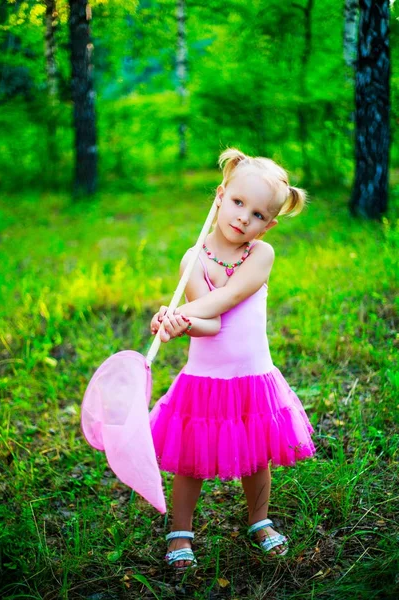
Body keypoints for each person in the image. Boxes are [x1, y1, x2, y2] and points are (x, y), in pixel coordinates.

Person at [149, 148, 316, 570]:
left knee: (256, 455)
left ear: (270, 224)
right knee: (191, 460)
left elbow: (227, 299)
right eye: (239, 203)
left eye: (258, 214)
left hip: (252, 376)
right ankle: (180, 529)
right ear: (220, 196)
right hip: (204, 378)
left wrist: (180, 314)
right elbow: (209, 325)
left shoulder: (260, 255)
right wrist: (176, 323)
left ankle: (259, 520)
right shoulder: (194, 260)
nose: (244, 217)